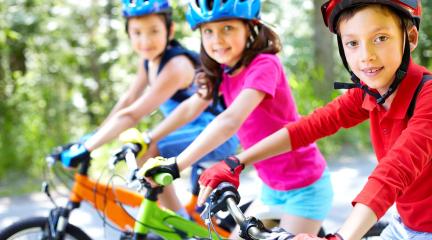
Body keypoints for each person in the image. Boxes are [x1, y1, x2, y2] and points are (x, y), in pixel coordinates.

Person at [196, 0, 432, 239]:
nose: (366, 56)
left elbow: (394, 172)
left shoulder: (428, 97)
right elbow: (308, 127)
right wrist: (237, 161)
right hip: (402, 224)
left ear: (410, 37)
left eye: (380, 38)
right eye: (352, 43)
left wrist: (340, 237)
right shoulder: (370, 92)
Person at [139, 0, 333, 236]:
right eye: (208, 31)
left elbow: (231, 120)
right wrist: (150, 137)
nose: (217, 40)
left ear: (249, 27)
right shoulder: (223, 70)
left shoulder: (265, 64)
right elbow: (192, 106)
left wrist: (178, 163)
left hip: (305, 188)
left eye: (227, 28)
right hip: (270, 188)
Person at [58, 0, 238, 219]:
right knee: (148, 150)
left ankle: (177, 222)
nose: (146, 41)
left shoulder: (176, 65)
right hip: (189, 132)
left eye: (154, 31)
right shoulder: (149, 61)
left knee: (150, 150)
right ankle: (175, 219)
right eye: (137, 32)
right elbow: (128, 101)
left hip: (216, 134)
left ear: (170, 31)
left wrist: (88, 148)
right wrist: (91, 138)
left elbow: (134, 114)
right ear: (128, 34)